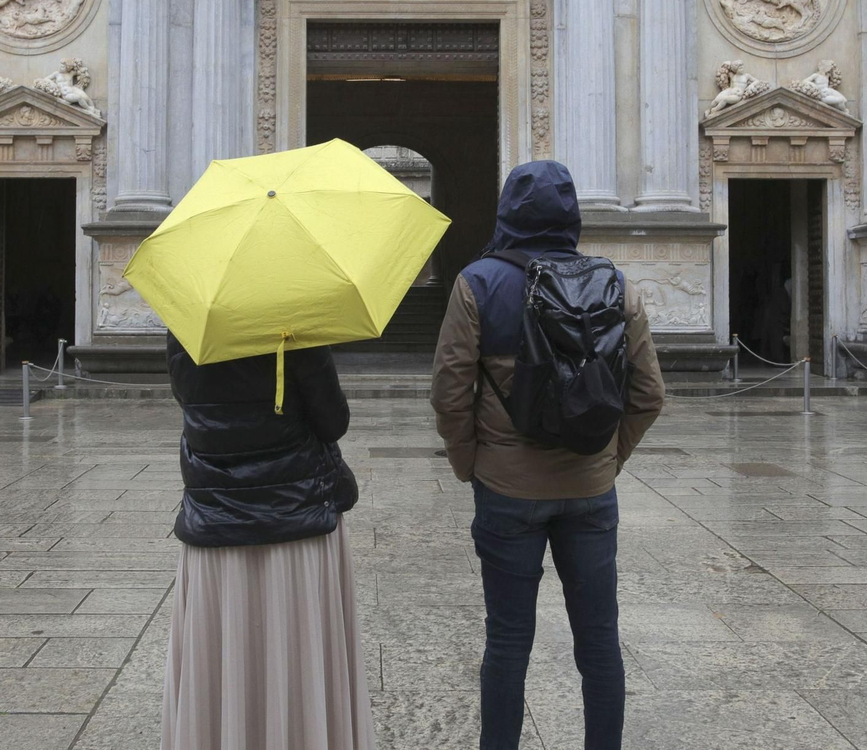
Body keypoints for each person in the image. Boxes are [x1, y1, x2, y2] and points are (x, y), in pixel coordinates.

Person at [430, 161, 666, 750]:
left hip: (506, 491)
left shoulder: (476, 283)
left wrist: (470, 463)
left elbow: (450, 391)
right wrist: (608, 459)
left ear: (507, 210)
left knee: (507, 640)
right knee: (599, 640)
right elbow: (649, 394)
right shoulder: (615, 283)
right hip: (590, 490)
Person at [161, 333, 372, 750]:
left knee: (223, 656)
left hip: (215, 520)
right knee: (299, 656)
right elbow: (334, 421)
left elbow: (195, 407)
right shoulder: (295, 322)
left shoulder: (188, 323)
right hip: (294, 522)